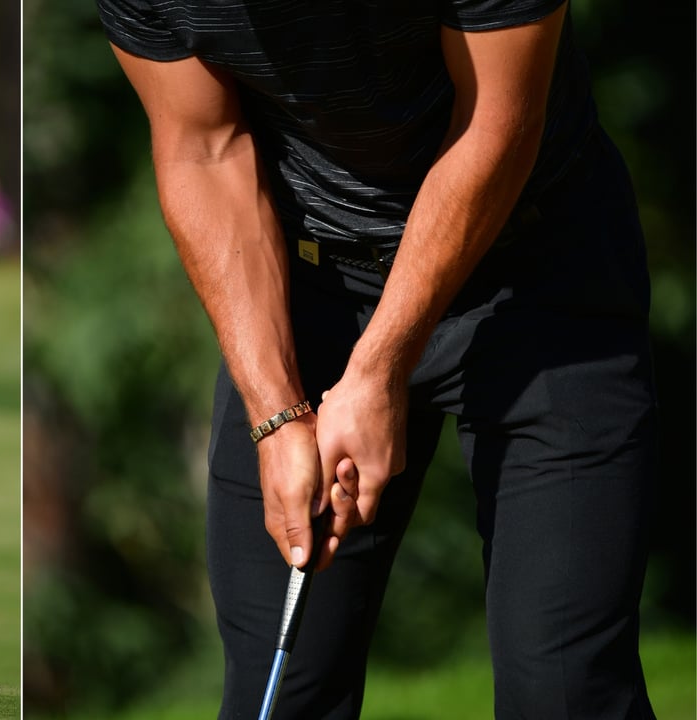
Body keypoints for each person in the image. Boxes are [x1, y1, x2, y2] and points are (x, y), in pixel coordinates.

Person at [98, 2, 657, 718]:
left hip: (538, 268)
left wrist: (380, 367)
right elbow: (202, 150)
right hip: (317, 288)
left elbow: (498, 124)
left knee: (565, 689)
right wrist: (276, 414)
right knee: (280, 690)